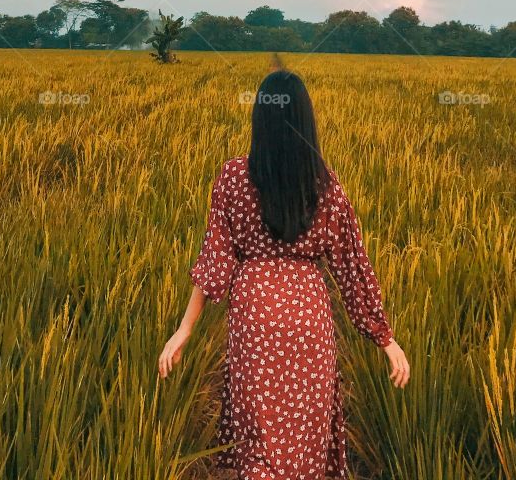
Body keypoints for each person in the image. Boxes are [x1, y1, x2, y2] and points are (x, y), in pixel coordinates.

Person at [158, 68, 410, 478]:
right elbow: (352, 266)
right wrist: (384, 337)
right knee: (304, 436)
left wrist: (184, 330)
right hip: (308, 318)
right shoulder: (324, 184)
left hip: (254, 317)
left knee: (259, 436)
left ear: (259, 119)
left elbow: (215, 261)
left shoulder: (233, 177)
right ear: (306, 122)